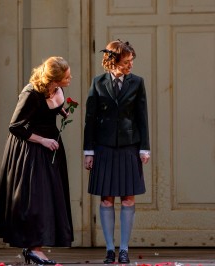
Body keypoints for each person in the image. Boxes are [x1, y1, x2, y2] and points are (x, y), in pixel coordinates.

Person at [0, 56, 74, 265]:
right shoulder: (31, 94)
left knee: (47, 198)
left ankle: (33, 246)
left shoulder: (56, 90)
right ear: (55, 78)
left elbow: (47, 109)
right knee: (36, 200)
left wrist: (60, 110)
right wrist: (43, 140)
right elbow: (15, 126)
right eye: (67, 76)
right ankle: (34, 249)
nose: (70, 78)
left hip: (49, 148)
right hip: (31, 148)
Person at [83, 40, 150, 264]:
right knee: (106, 199)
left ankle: (124, 249)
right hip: (103, 147)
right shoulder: (98, 82)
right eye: (126, 62)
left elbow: (142, 117)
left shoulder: (137, 83)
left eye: (132, 61)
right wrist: (88, 151)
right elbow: (90, 119)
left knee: (129, 198)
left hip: (130, 146)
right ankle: (110, 249)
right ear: (113, 61)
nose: (130, 65)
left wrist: (144, 148)